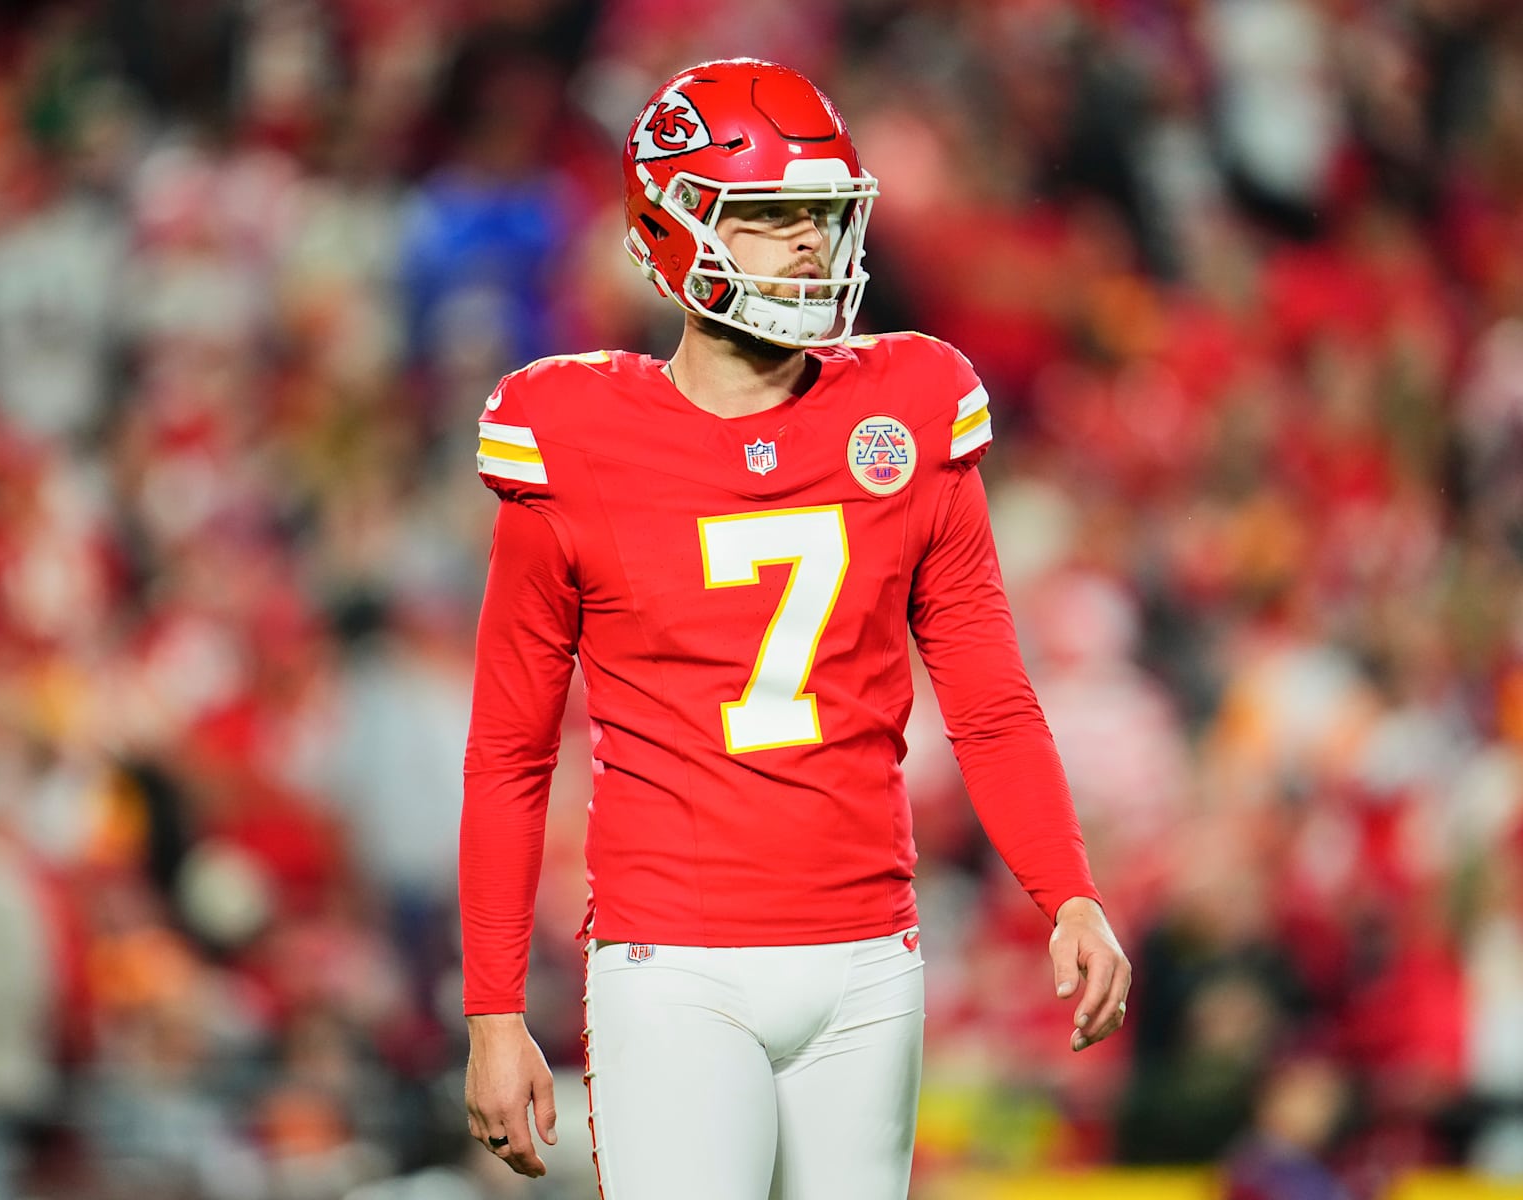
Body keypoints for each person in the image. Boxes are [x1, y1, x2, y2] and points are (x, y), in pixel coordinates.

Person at [458, 58, 1131, 1200]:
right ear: (670, 233)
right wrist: (491, 1010)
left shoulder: (908, 407)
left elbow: (989, 695)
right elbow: (510, 751)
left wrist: (1067, 889)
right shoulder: (571, 435)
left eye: (821, 213)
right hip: (674, 958)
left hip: (871, 953)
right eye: (771, 218)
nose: (810, 245)